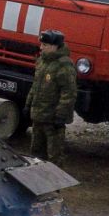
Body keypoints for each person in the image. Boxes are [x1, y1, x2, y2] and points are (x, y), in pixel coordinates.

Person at [26, 29, 77, 162]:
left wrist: (60, 116)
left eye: (45, 45)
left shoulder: (64, 65)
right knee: (36, 154)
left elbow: (69, 93)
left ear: (55, 46)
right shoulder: (42, 61)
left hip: (52, 119)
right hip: (39, 116)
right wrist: (28, 104)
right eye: (41, 44)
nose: (41, 47)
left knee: (54, 156)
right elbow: (36, 85)